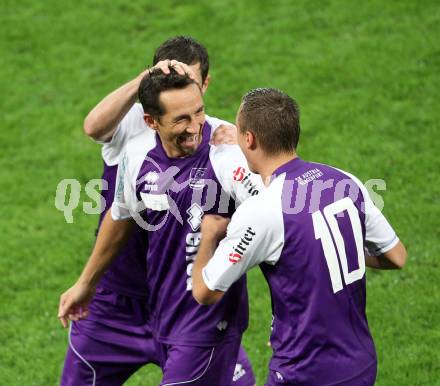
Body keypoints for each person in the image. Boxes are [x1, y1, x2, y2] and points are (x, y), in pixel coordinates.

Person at [59, 36, 255, 386]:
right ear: (152, 118)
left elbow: (276, 220)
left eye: (192, 92)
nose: (194, 123)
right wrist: (85, 283)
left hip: (189, 302)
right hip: (118, 298)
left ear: (204, 85)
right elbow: (118, 214)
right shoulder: (133, 137)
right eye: (179, 115)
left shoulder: (227, 145)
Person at [192, 88, 408, 385]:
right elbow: (396, 256)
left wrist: (209, 237)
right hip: (360, 364)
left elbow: (206, 291)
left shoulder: (262, 211)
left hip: (305, 371)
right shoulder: (344, 180)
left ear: (249, 139)